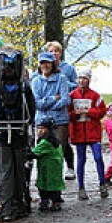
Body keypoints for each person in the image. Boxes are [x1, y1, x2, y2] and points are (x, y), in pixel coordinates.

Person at [0, 47, 36, 222]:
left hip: (0, 130)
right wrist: (28, 124)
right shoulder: (23, 83)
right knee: (19, 168)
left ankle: (7, 208)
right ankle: (20, 205)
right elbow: (32, 108)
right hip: (20, 130)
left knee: (5, 169)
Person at [31, 52, 73, 182]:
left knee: (57, 153)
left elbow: (66, 100)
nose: (45, 65)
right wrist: (54, 98)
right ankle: (43, 183)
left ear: (52, 64)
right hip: (42, 122)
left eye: (48, 63)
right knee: (43, 152)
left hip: (59, 121)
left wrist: (46, 104)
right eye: (42, 63)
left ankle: (56, 185)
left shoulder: (61, 79)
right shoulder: (36, 81)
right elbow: (37, 103)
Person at [68, 68, 107, 200]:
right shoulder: (72, 95)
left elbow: (102, 111)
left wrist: (89, 112)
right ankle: (81, 187)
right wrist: (75, 114)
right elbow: (67, 113)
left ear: (89, 80)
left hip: (93, 132)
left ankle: (102, 184)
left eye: (84, 78)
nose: (81, 81)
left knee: (98, 157)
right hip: (79, 133)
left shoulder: (95, 95)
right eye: (79, 78)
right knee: (81, 160)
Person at [31, 118, 65, 212]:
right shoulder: (55, 140)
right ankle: (55, 200)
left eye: (43, 128)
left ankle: (47, 201)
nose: (40, 131)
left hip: (47, 168)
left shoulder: (46, 142)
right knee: (55, 185)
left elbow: (34, 153)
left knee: (45, 186)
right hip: (55, 167)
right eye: (38, 128)